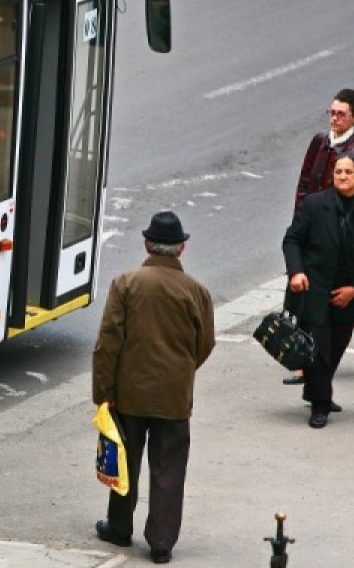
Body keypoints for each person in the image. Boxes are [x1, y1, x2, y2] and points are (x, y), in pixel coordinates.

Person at [92, 211, 215, 564]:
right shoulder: (196, 291)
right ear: (181, 249)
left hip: (128, 393)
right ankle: (161, 543)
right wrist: (182, 371)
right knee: (169, 467)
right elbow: (205, 343)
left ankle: (119, 527)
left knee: (125, 462)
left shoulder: (126, 283)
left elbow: (108, 342)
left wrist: (103, 392)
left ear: (147, 243)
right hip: (174, 397)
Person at [283, 88, 354, 386]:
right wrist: (298, 227)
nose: (334, 118)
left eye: (341, 114)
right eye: (331, 112)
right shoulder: (319, 141)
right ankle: (304, 364)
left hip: (336, 239)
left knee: (338, 302)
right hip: (311, 229)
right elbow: (304, 184)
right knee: (309, 296)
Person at [283, 152, 354, 428]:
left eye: (348, 172)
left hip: (348, 295)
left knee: (336, 347)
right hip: (314, 290)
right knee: (318, 349)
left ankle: (316, 389)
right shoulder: (314, 205)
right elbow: (292, 240)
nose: (342, 177)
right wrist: (297, 271)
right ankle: (320, 404)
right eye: (338, 172)